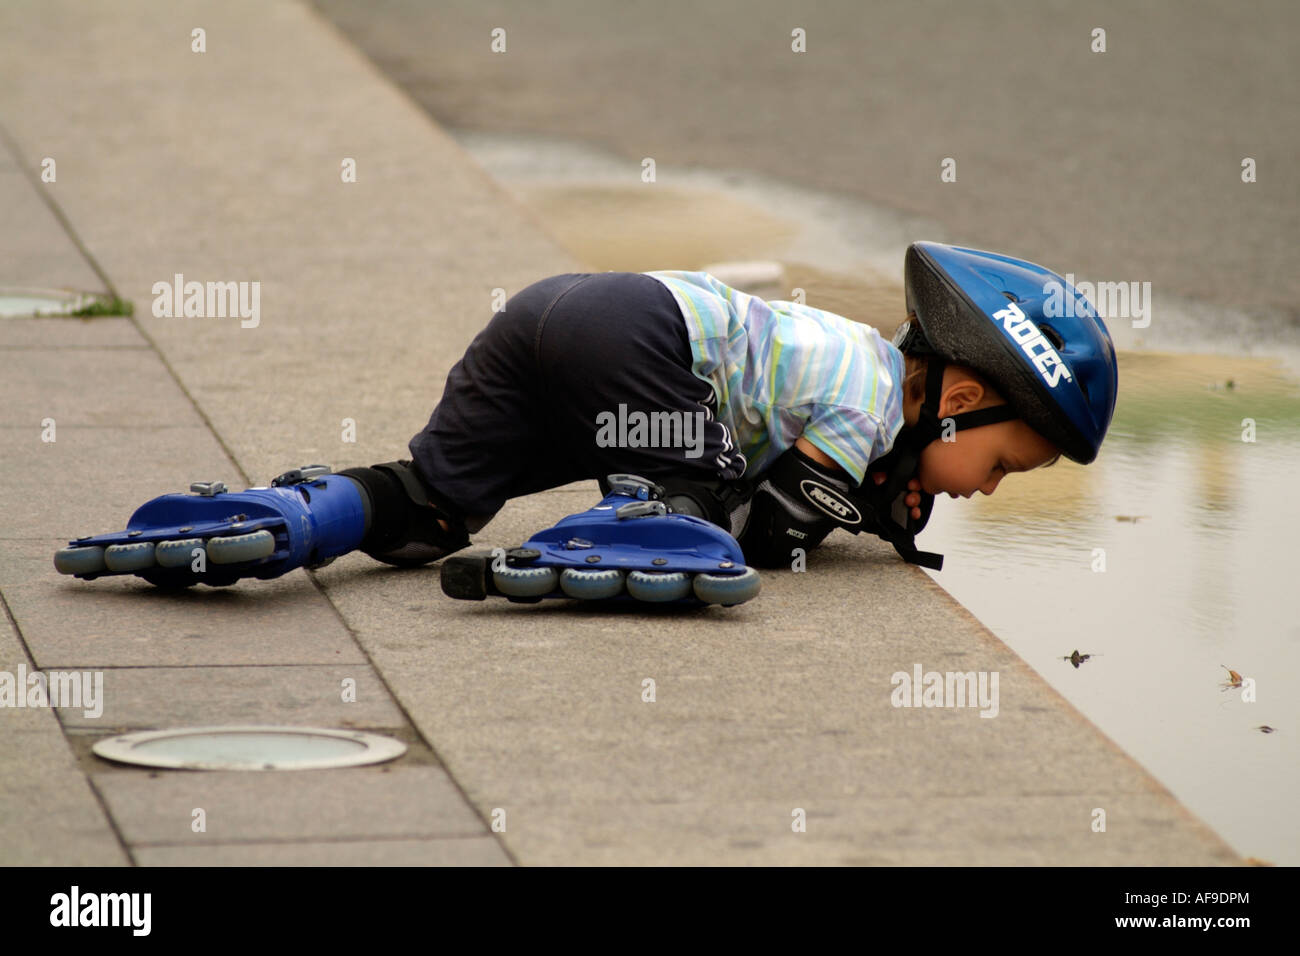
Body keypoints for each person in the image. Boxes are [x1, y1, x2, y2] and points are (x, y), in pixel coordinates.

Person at [53, 242, 1117, 586]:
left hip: (554, 317)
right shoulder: (867, 394)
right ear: (964, 395)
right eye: (1005, 465)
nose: (984, 492)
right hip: (637, 336)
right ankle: (615, 523)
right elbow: (781, 521)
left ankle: (295, 513)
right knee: (702, 521)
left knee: (429, 505)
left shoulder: (855, 376)